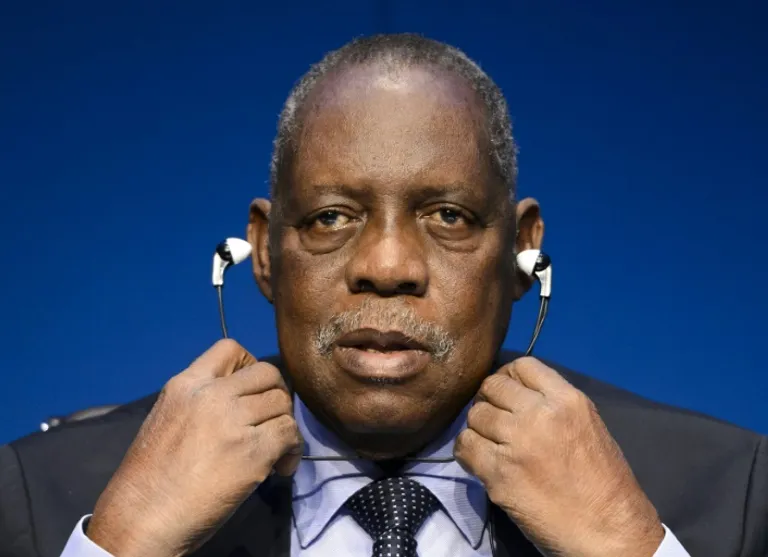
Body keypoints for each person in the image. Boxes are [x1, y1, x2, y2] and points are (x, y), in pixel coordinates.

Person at [0, 33, 765, 557]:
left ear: (522, 252)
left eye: (448, 216)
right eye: (332, 217)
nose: (388, 265)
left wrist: (623, 542)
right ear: (264, 253)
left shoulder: (735, 490)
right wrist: (123, 542)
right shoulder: (39, 494)